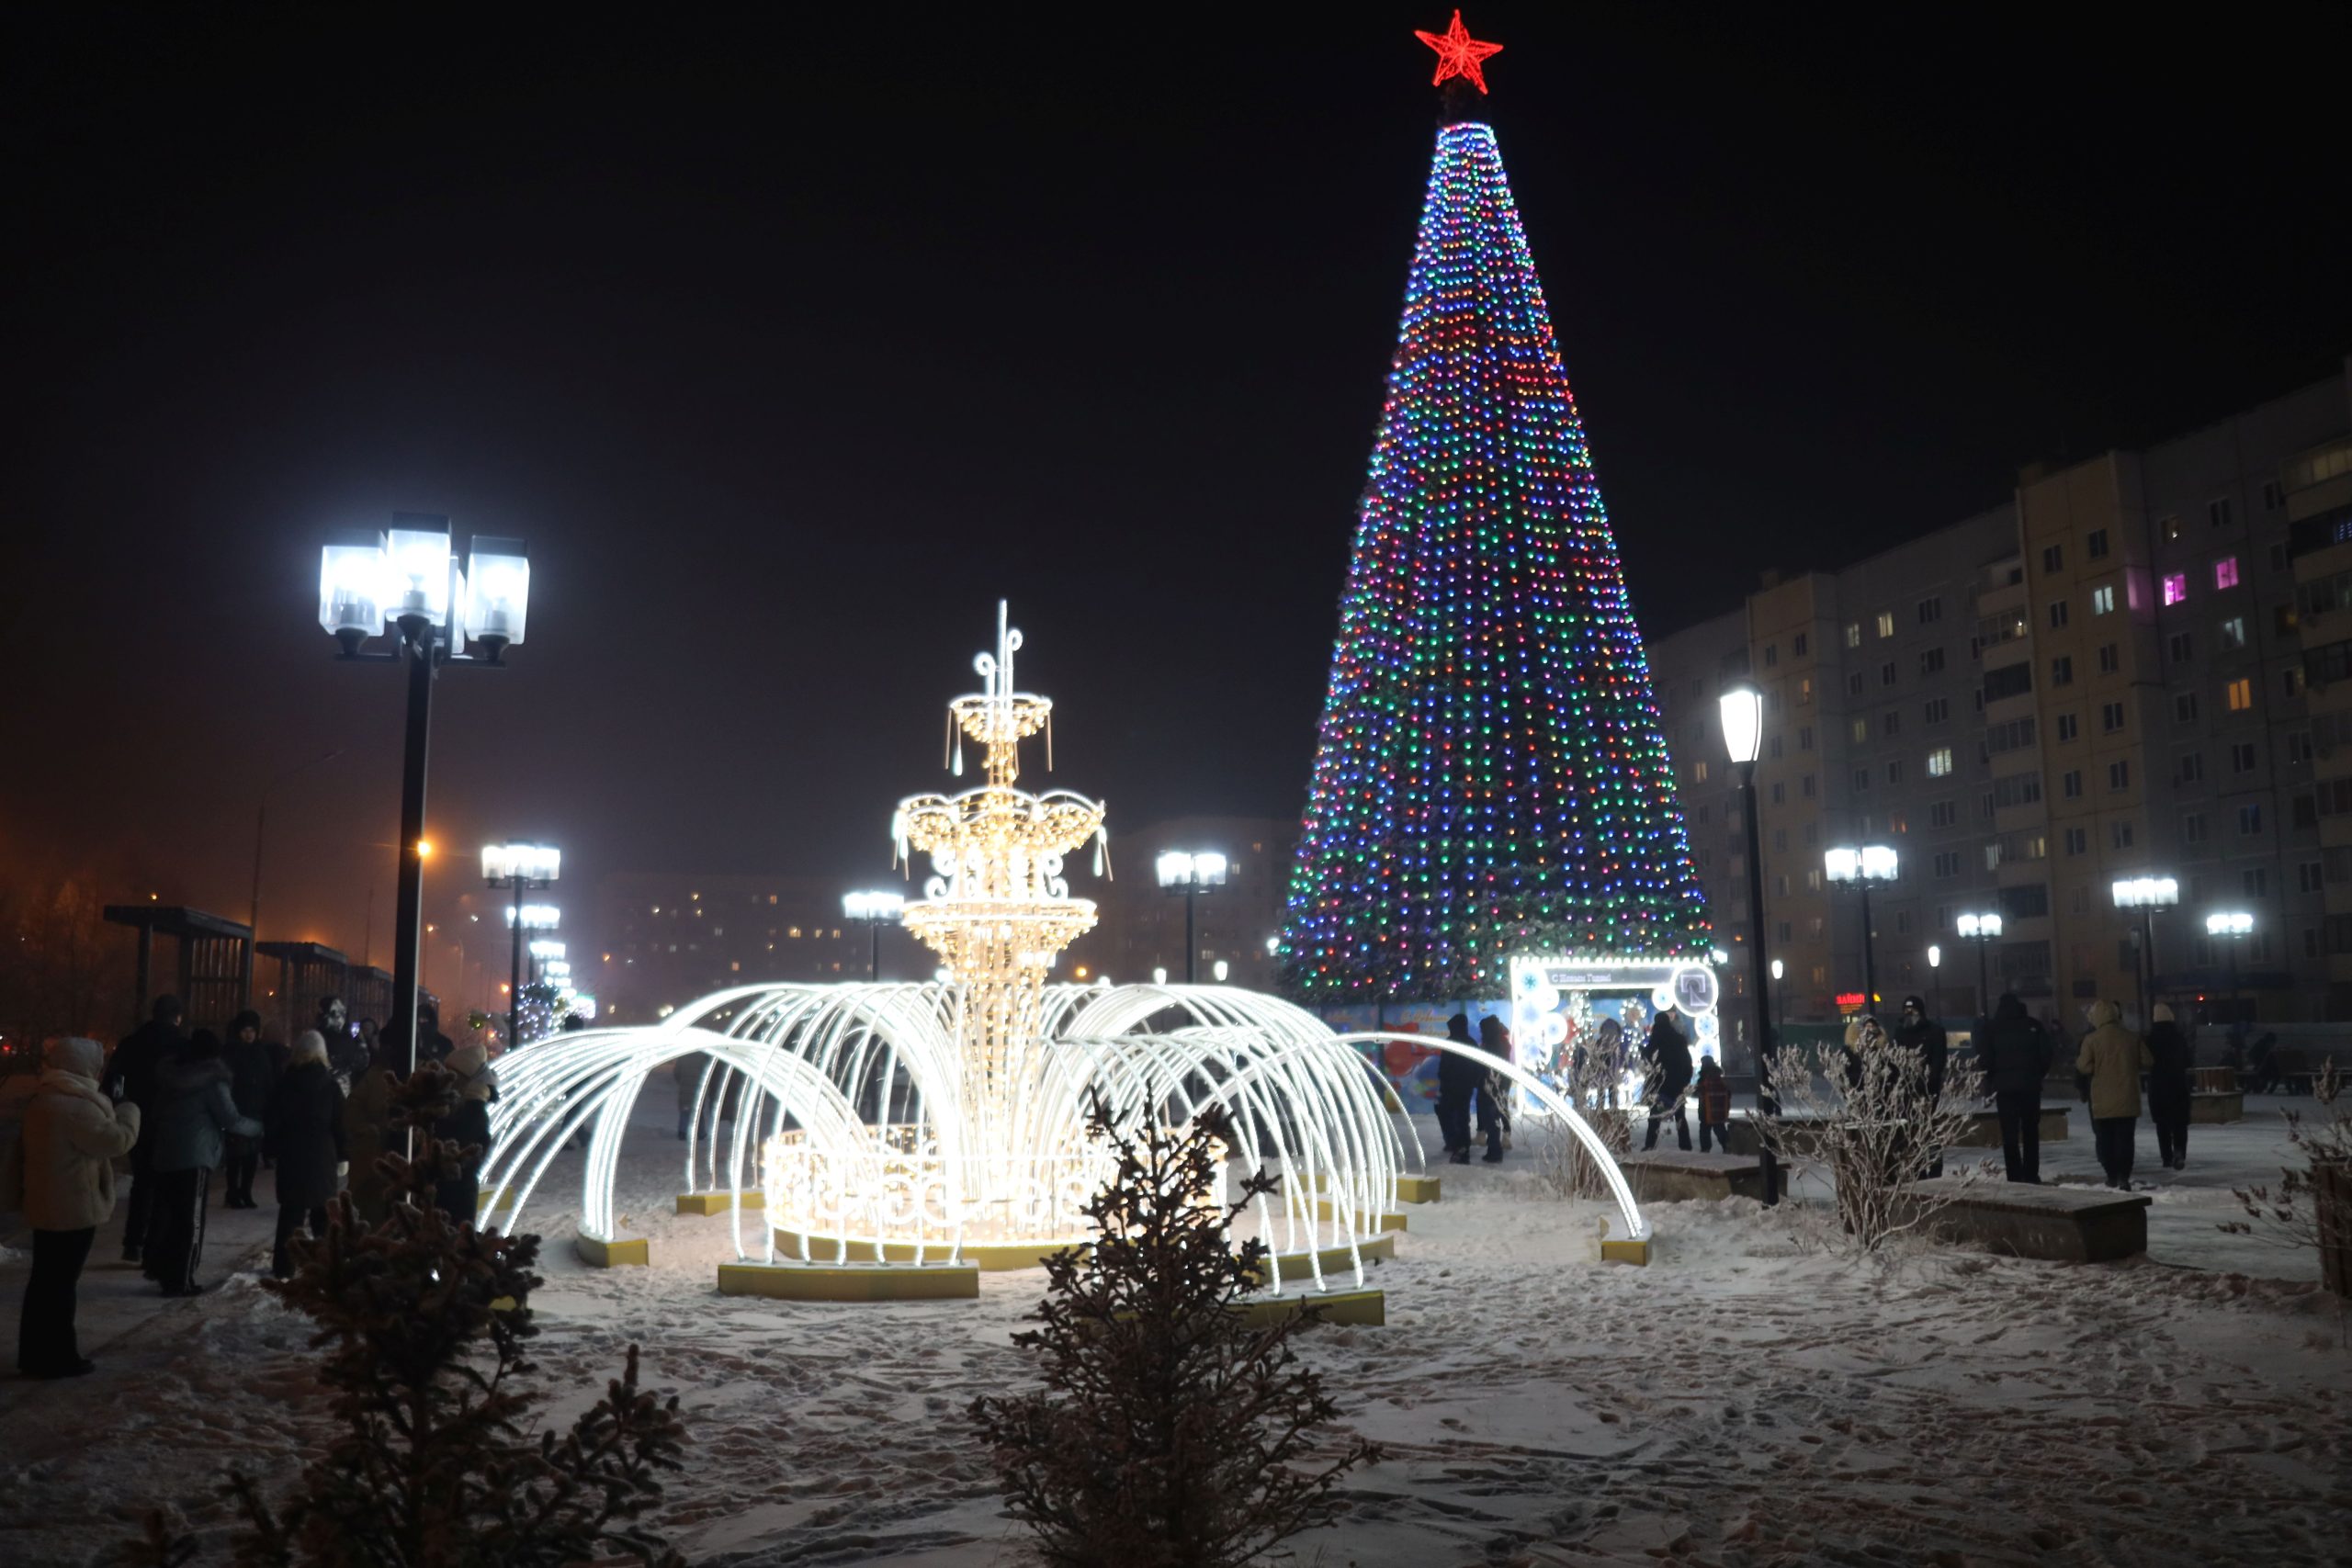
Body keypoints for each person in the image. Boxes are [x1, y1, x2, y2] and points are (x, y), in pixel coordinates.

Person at [13, 1037, 142, 1378]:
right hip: (73, 1206)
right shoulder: (77, 1106)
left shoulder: (41, 1100)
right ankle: (59, 1355)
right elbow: (115, 1141)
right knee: (61, 1284)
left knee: (43, 1281)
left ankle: (34, 1353)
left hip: (44, 1203)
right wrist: (128, 1109)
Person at [146, 1029, 263, 1295]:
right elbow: (230, 1119)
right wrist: (258, 1128)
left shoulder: (169, 1078)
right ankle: (182, 1279)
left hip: (165, 1153)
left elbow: (155, 1113)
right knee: (191, 1221)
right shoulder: (212, 1082)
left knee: (168, 1217)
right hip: (194, 1156)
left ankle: (164, 1271)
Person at [102, 994, 185, 1263]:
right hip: (170, 1122)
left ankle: (133, 1242)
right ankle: (154, 1244)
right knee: (165, 1186)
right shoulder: (181, 1046)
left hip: (137, 1119)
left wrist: (121, 1106)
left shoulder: (131, 1043)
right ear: (177, 1016)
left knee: (142, 1182)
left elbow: (114, 1081)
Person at [264, 1030, 346, 1279]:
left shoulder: (284, 1084)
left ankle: (284, 1267)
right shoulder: (331, 1086)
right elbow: (340, 1124)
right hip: (322, 1155)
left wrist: (272, 1150)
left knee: (290, 1214)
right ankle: (327, 1265)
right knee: (323, 1216)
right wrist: (344, 1155)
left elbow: (272, 1121)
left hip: (292, 1154)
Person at [2077, 999, 2153, 1190]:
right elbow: (2148, 1061)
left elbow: (2083, 1066)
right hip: (2127, 1096)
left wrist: (2099, 1067)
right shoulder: (2131, 1037)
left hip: (2102, 1099)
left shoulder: (2091, 1039)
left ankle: (2111, 1175)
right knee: (2126, 1139)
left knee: (2106, 1139)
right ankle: (2124, 1177)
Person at [1978, 993, 2052, 1184]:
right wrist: (2036, 1074)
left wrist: (1993, 1080)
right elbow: (2046, 1055)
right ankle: (2031, 1173)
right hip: (2030, 1086)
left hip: (2004, 1088)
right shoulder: (2033, 1025)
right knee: (2030, 1131)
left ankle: (2014, 1174)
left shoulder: (1991, 1028)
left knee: (2009, 1134)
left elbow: (1985, 1059)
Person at [435, 1043, 498, 1225]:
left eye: (451, 1073)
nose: (446, 1077)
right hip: (453, 1195)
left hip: (455, 1198)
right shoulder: (462, 1106)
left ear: (464, 1078)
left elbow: (460, 1157)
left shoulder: (473, 1113)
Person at [220, 1009, 277, 1209]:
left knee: (251, 1155)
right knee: (236, 1155)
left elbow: (268, 1082)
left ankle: (245, 1191)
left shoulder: (261, 1054)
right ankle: (233, 1191)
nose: (249, 1035)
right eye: (245, 1030)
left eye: (252, 1030)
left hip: (255, 1109)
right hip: (237, 1109)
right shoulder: (231, 1053)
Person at [1895, 995, 1951, 1177]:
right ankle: (1917, 1169)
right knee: (1911, 1132)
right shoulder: (1900, 1032)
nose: (1910, 1014)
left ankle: (1935, 1168)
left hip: (1929, 1090)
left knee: (1931, 1132)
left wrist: (1929, 1080)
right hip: (1907, 1091)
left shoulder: (1935, 1031)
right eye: (1906, 1010)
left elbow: (1939, 1059)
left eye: (1913, 1010)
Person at [2144, 1002, 2193, 1171]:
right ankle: (2179, 1151)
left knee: (2162, 1124)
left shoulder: (2149, 1040)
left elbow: (2145, 1062)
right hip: (2178, 1083)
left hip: (2157, 1086)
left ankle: (2166, 1157)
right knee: (2180, 1123)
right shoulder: (2179, 1038)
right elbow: (2188, 1060)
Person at [1641, 1004, 1693, 1151]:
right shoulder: (1678, 1039)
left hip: (1660, 1084)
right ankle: (1685, 1144)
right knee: (1680, 1115)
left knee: (1655, 1116)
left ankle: (1650, 1144)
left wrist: (1643, 1052)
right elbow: (1686, 1061)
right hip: (1677, 1083)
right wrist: (1686, 1080)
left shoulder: (1656, 1038)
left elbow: (1649, 1058)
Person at [1434, 1014, 1484, 1165]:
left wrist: (1444, 1080)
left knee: (1451, 1117)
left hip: (1451, 1087)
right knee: (1462, 1118)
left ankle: (1459, 1147)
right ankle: (1461, 1146)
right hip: (1464, 1087)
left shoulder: (1451, 1043)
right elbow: (1477, 1066)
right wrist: (1473, 1081)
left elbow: (1444, 1067)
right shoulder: (1471, 1043)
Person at [1475, 1014, 1511, 1164]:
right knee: (1498, 1110)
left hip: (1493, 1082)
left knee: (1491, 1114)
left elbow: (1487, 1065)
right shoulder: (1500, 1040)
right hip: (1499, 1081)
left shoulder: (1493, 1043)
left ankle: (1495, 1148)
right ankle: (1499, 1140)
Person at [1693, 1056, 1733, 1153]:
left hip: (1705, 1111)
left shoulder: (1702, 1080)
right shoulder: (1720, 1079)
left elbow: (1696, 1092)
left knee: (1704, 1131)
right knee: (1720, 1128)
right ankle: (1727, 1145)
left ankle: (1705, 1148)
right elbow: (1728, 1093)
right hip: (1719, 1111)